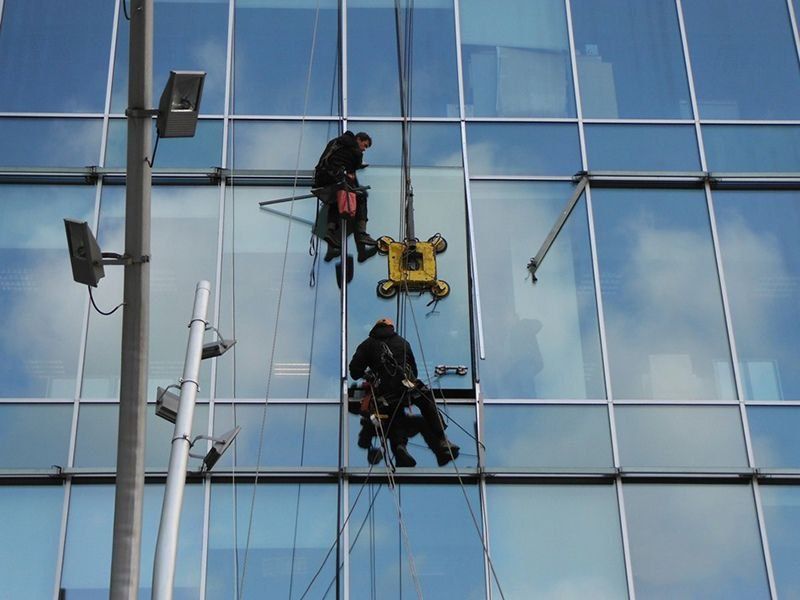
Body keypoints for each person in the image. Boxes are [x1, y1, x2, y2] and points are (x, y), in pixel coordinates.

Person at [349, 317, 460, 467]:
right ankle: (442, 439)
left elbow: (354, 371)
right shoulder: (402, 342)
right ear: (391, 328)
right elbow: (413, 370)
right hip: (406, 389)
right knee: (425, 402)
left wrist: (368, 374)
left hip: (383, 393)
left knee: (393, 413)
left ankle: (400, 447)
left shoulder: (367, 345)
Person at [313, 130, 378, 263]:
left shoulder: (336, 142)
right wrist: (358, 166)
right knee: (361, 197)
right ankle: (361, 235)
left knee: (335, 200)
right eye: (364, 145)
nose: (364, 149)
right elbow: (354, 166)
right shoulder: (355, 150)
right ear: (358, 139)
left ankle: (330, 232)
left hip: (322, 177)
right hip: (335, 177)